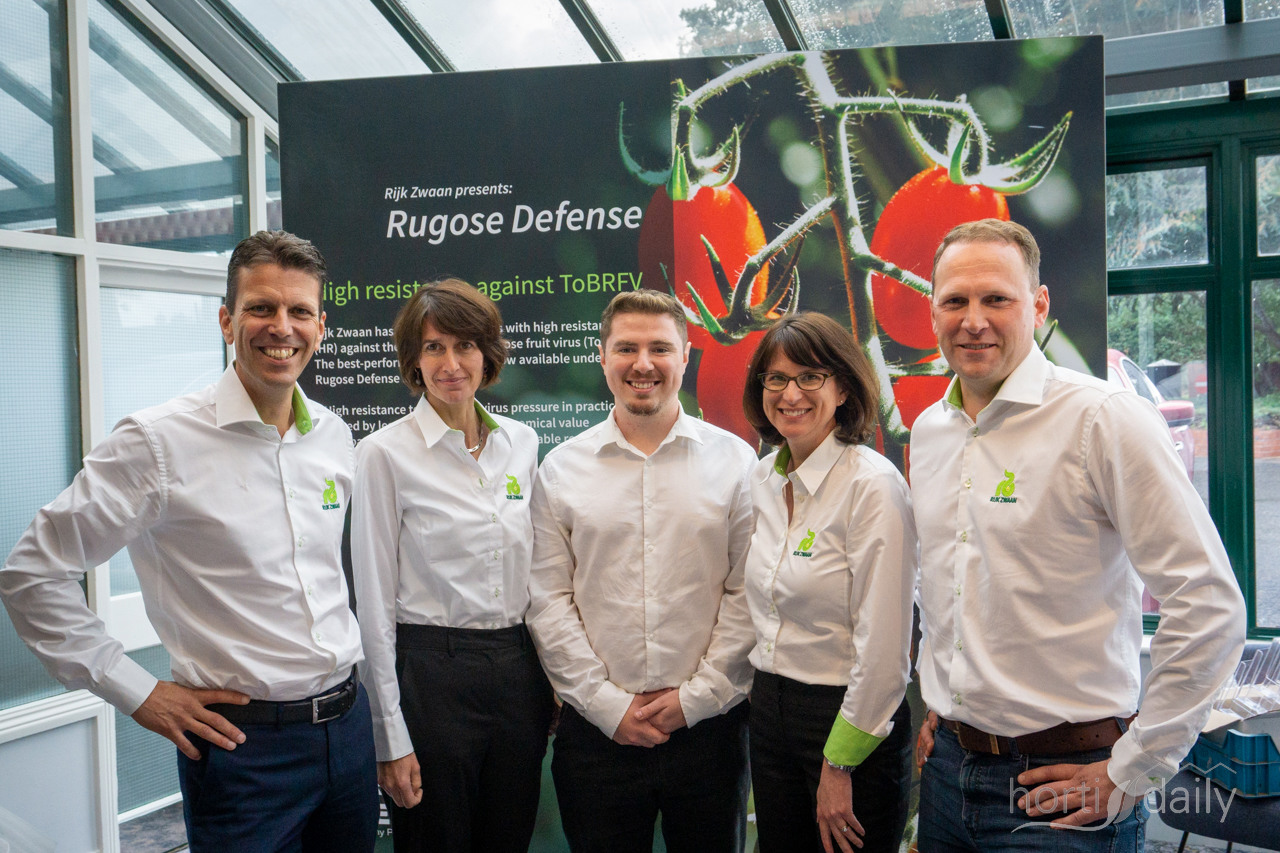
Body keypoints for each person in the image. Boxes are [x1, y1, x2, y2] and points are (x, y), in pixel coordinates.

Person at [0, 230, 378, 851]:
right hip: (243, 750)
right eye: (261, 307)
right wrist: (139, 692)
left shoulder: (333, 437)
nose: (281, 327)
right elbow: (30, 575)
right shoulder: (157, 442)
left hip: (348, 728)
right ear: (227, 320)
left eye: (299, 311)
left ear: (320, 326)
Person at [910, 218, 1246, 852]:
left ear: (1038, 306)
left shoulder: (1103, 419)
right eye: (955, 301)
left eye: (996, 299)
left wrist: (1134, 769)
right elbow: (945, 586)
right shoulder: (930, 432)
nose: (973, 321)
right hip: (948, 773)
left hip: (1064, 791)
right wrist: (944, 701)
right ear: (933, 312)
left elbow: (1209, 604)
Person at [526, 290, 757, 853]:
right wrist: (608, 706)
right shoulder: (560, 470)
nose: (643, 364)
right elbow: (548, 600)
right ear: (602, 356)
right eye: (627, 348)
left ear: (686, 356)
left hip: (710, 731)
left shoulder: (736, 463)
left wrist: (696, 699)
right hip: (597, 736)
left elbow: (749, 592)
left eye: (660, 348)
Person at [351, 278, 554, 852]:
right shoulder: (384, 454)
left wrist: (553, 681)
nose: (451, 363)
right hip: (431, 677)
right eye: (434, 347)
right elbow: (373, 604)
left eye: (465, 345)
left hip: (518, 672)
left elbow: (539, 574)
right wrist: (389, 735)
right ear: (414, 360)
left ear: (487, 353)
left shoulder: (521, 442)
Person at [741, 312, 916, 853]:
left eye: (810, 377)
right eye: (776, 378)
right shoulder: (763, 477)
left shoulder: (872, 486)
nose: (790, 393)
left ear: (843, 389)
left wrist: (839, 763)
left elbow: (885, 650)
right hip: (769, 710)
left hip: (849, 721)